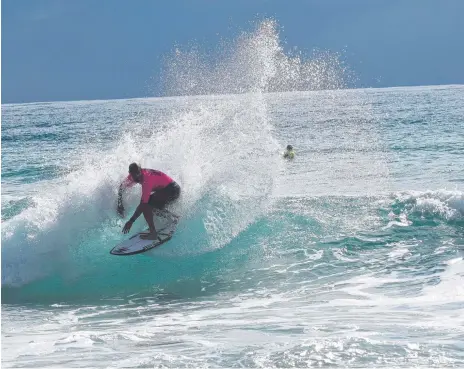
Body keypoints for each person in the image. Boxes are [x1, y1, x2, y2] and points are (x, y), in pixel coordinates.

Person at [117, 163, 181, 240]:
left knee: (146, 205)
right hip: (165, 190)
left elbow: (143, 205)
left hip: (172, 190)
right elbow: (122, 187)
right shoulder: (132, 176)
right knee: (151, 206)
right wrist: (120, 204)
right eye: (134, 175)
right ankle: (173, 218)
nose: (136, 177)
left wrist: (131, 221)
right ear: (130, 173)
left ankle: (153, 233)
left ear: (140, 171)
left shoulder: (147, 180)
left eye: (138, 174)